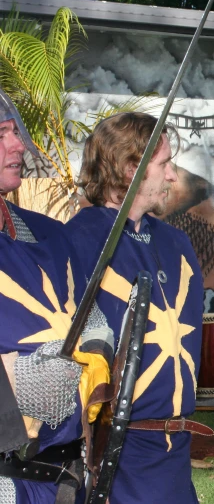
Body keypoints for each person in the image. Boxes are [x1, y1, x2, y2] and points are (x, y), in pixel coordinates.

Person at [65, 112, 207, 504]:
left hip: (175, 456)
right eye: (164, 164)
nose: (174, 176)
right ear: (131, 170)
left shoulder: (176, 245)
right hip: (117, 457)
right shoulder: (81, 242)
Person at [0, 89, 110, 504]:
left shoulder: (48, 232)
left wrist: (99, 351)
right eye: (0, 135)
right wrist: (24, 380)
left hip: (68, 476)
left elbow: (90, 315)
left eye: (14, 132)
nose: (17, 146)